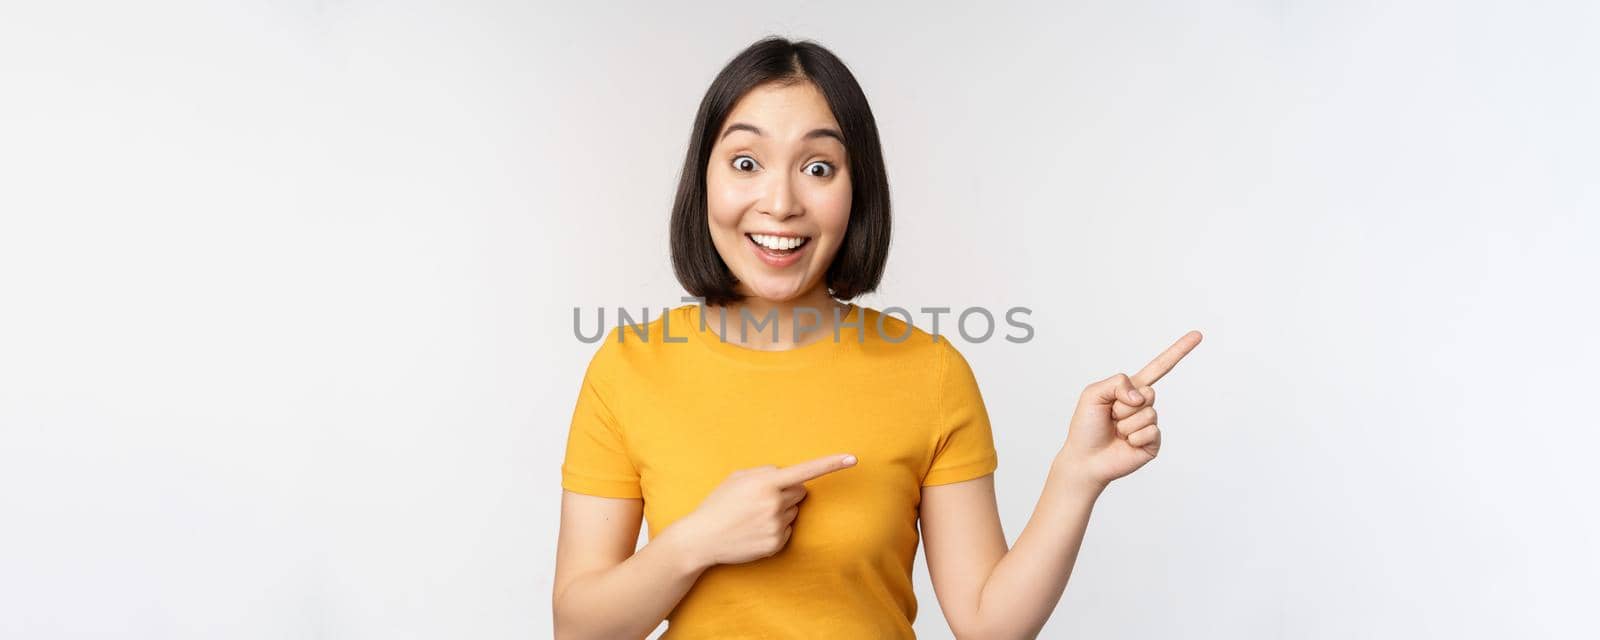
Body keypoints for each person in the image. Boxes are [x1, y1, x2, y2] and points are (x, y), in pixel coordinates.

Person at [551, 36, 1202, 639]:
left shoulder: (930, 371)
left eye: (818, 168)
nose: (780, 202)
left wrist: (1077, 475)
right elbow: (577, 630)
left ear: (857, 191)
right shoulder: (628, 369)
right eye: (746, 162)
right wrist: (697, 541)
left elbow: (988, 623)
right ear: (704, 180)